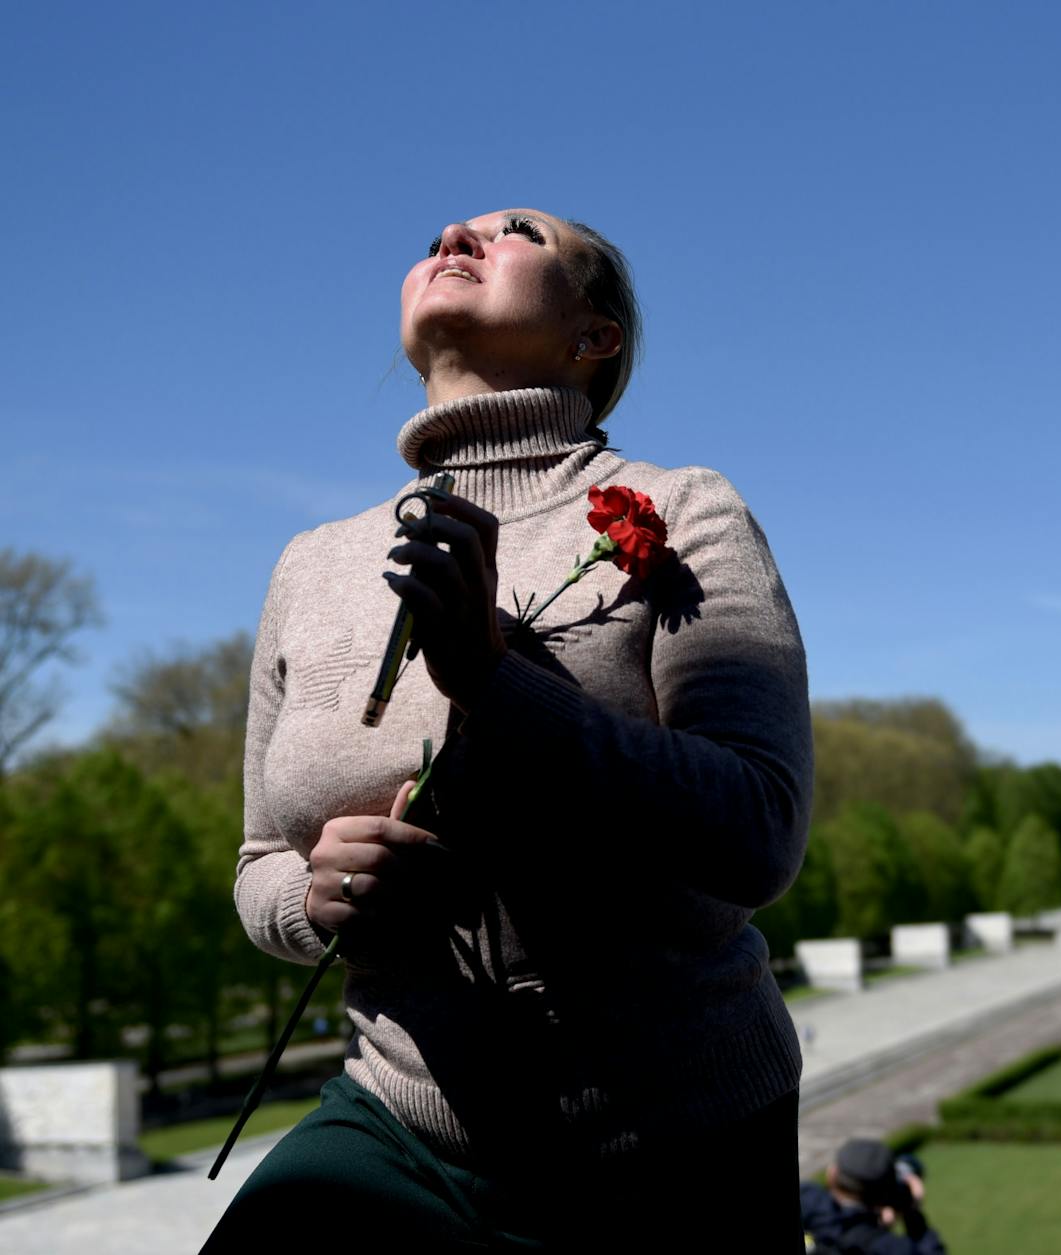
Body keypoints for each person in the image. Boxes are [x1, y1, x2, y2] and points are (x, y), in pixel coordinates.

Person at [203, 210, 813, 1251]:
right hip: (399, 1126)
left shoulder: (687, 509)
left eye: (516, 232)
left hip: (672, 1149)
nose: (453, 232)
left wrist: (494, 677)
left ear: (594, 335)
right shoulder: (309, 563)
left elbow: (759, 829)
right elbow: (261, 862)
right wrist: (313, 900)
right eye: (447, 231)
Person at [800, 1139, 947, 1254]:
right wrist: (912, 1211)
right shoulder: (890, 1247)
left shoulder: (807, 1200)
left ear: (831, 1175)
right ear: (882, 1199)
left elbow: (838, 1226)